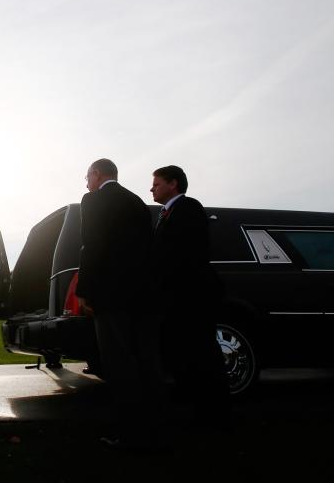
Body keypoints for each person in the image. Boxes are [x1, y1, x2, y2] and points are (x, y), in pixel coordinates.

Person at [76, 158, 164, 451]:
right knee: (146, 362)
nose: (86, 182)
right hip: (142, 295)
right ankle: (155, 429)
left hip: (110, 296)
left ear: (97, 174)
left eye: (87, 176)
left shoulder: (93, 200)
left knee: (119, 364)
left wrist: (85, 290)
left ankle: (128, 433)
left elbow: (91, 246)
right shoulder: (137, 202)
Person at [150, 165, 229, 423]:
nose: (152, 188)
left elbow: (185, 253)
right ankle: (193, 408)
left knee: (201, 352)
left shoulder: (188, 208)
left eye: (157, 183)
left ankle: (214, 411)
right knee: (181, 354)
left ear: (173, 184)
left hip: (192, 296)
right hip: (175, 297)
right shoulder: (165, 214)